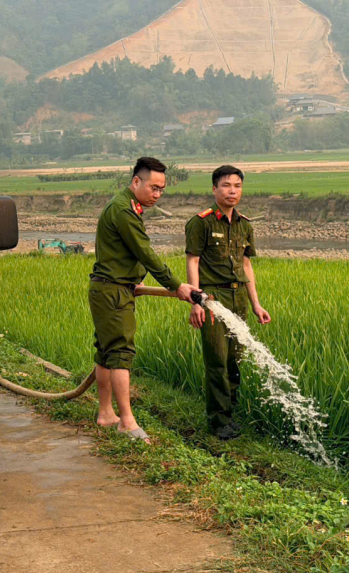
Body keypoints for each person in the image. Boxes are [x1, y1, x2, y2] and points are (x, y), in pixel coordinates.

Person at [89, 157, 200, 443]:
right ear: (136, 181)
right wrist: (176, 285)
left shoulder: (125, 206)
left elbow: (124, 253)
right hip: (113, 291)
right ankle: (126, 421)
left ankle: (106, 413)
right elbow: (145, 253)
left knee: (106, 352)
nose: (158, 194)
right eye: (154, 187)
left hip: (112, 288)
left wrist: (134, 280)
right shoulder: (123, 210)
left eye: (162, 189)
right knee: (120, 354)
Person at [184, 165, 271, 440]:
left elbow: (246, 266)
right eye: (226, 185)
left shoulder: (245, 224)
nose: (232, 191)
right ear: (214, 189)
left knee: (234, 359)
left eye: (237, 186)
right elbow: (192, 262)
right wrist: (195, 302)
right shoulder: (201, 222)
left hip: (239, 298)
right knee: (217, 360)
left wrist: (256, 304)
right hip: (212, 298)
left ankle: (230, 414)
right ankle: (219, 421)